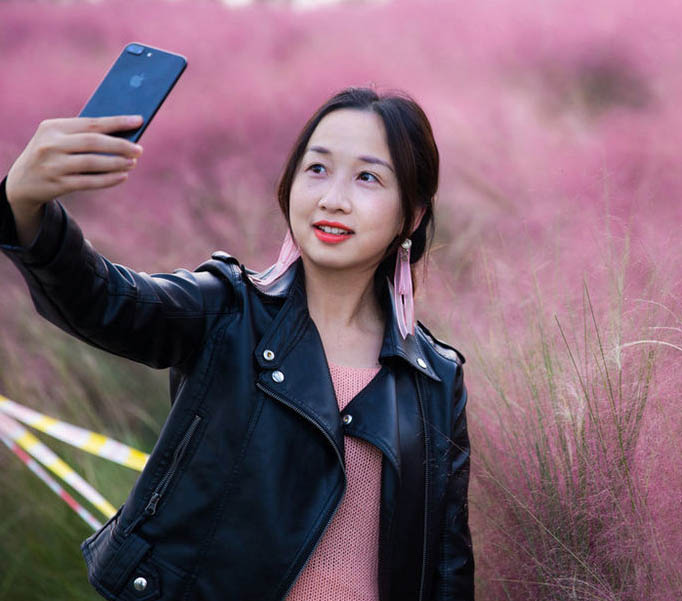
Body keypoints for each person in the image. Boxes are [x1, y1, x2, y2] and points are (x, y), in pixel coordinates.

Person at [0, 87, 474, 600]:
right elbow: (102, 298)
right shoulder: (226, 311)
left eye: (367, 177)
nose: (332, 198)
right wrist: (26, 207)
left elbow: (446, 566)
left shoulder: (434, 378)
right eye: (316, 169)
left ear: (413, 215)